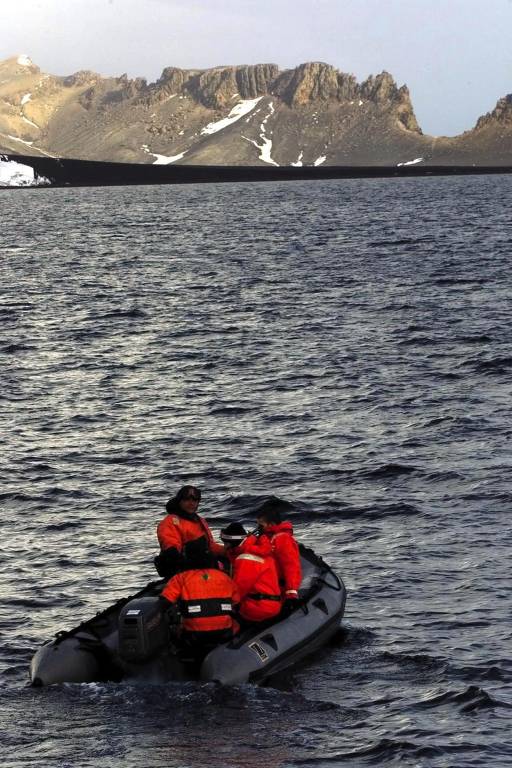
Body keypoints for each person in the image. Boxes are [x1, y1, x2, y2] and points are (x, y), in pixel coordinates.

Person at [159, 538, 240, 658]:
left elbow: (164, 603)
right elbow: (237, 603)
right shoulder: (225, 578)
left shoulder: (180, 578)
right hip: (224, 633)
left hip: (193, 636)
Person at [154, 485, 224, 578]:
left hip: (203, 565)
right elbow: (171, 550)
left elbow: (211, 546)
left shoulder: (200, 520)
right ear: (180, 501)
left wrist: (230, 550)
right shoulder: (170, 521)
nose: (191, 503)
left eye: (195, 500)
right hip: (181, 568)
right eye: (187, 499)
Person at [220, 522, 282, 624]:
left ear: (234, 542)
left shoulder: (245, 558)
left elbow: (239, 590)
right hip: (273, 604)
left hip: (258, 608)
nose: (225, 546)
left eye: (226, 543)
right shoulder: (259, 549)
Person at [256, 502, 302, 613]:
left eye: (260, 525)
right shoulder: (267, 538)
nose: (258, 528)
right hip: (269, 584)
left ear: (271, 524)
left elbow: (291, 566)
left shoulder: (282, 539)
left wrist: (291, 592)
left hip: (279, 587)